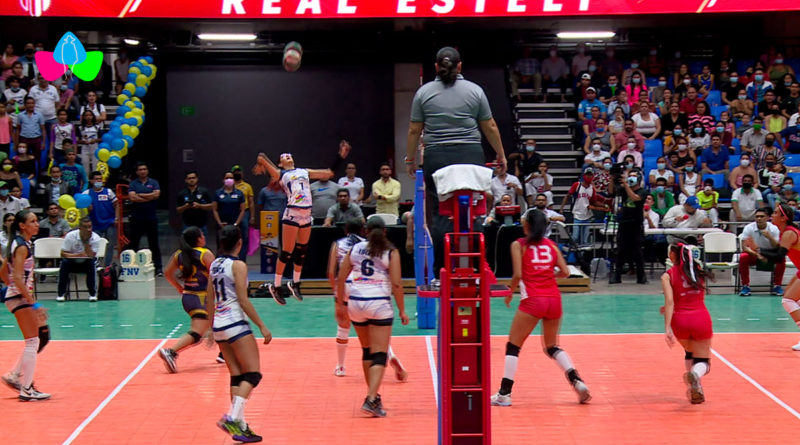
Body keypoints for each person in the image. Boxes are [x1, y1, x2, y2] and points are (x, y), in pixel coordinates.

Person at [405, 46, 506, 274]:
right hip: (470, 155)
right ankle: (478, 266)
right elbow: (489, 126)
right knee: (475, 208)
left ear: (436, 67)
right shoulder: (475, 90)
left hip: (437, 157)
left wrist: (409, 159)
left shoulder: (423, 93)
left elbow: (414, 130)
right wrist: (500, 153)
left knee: (441, 215)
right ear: (460, 66)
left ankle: (442, 270)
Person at [490, 209, 591, 407]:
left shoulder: (518, 245)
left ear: (526, 225)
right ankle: (576, 380)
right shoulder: (551, 245)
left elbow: (518, 274)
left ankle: (504, 393)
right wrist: (547, 276)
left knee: (513, 346)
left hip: (533, 299)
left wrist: (510, 291)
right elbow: (565, 272)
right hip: (554, 299)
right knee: (552, 346)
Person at [335, 218, 410, 417]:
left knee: (367, 351)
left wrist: (340, 304)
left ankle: (374, 396)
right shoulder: (390, 251)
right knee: (380, 353)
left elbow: (340, 278)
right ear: (385, 231)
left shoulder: (355, 249)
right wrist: (402, 310)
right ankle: (370, 398)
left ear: (365, 231)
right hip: (378, 302)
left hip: (356, 302)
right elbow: (396, 284)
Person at [211, 225, 272, 442]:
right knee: (253, 374)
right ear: (240, 242)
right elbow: (243, 300)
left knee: (237, 376)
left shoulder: (214, 264)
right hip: (235, 322)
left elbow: (210, 298)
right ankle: (233, 417)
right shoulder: (238, 265)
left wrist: (211, 327)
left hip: (219, 325)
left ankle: (241, 427)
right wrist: (262, 326)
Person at [253, 152, 333, 304]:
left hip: (306, 214)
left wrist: (340, 156)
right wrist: (260, 164)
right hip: (292, 213)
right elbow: (261, 156)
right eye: (284, 156)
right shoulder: (280, 174)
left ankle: (295, 283)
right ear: (280, 163)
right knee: (287, 252)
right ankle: (276, 285)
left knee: (302, 251)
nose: (288, 156)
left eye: (289, 155)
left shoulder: (304, 171)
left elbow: (328, 174)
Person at [0, 209, 49, 400]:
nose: (37, 224)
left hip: (16, 297)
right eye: (33, 221)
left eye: (37, 221)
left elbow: (4, 273)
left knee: (36, 339)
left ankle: (25, 385)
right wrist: (34, 304)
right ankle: (26, 389)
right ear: (22, 225)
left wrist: (12, 285)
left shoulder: (20, 244)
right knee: (32, 341)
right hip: (19, 299)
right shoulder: (21, 246)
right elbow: (18, 278)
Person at [159, 226, 217, 373]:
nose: (204, 237)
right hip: (201, 297)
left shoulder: (179, 254)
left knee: (219, 322)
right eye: (202, 235)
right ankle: (171, 351)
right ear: (198, 239)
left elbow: (167, 273)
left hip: (188, 297)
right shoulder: (205, 253)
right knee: (197, 334)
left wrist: (179, 287)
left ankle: (224, 353)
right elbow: (216, 277)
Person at [661, 243, 714, 404]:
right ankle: (696, 376)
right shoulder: (699, 273)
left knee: (689, 352)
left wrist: (667, 328)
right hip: (700, 318)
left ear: (672, 256)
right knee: (703, 361)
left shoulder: (667, 275)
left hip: (680, 320)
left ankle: (694, 387)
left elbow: (670, 302)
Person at [609, 169, 647, 284]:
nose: (631, 178)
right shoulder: (623, 190)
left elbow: (635, 198)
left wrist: (626, 185)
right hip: (624, 223)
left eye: (634, 176)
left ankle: (641, 276)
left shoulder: (643, 191)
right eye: (630, 176)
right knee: (620, 250)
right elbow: (611, 192)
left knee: (637, 252)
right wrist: (612, 179)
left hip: (636, 224)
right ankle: (617, 276)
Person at [125, 162, 163, 276]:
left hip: (151, 217)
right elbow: (132, 197)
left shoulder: (154, 182)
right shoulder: (133, 184)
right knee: (134, 243)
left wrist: (140, 195)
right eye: (140, 169)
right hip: (137, 218)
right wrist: (149, 196)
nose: (142, 171)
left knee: (154, 244)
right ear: (137, 172)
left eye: (144, 169)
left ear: (147, 171)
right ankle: (132, 267)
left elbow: (156, 195)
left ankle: (158, 268)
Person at [739, 208, 784, 297]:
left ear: (767, 218)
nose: (759, 218)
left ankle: (777, 286)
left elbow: (777, 247)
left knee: (781, 258)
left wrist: (770, 237)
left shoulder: (774, 228)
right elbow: (744, 247)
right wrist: (757, 255)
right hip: (755, 253)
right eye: (757, 216)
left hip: (770, 253)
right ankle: (745, 286)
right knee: (743, 257)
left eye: (762, 216)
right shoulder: (749, 228)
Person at [57, 217, 101, 302]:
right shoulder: (70, 236)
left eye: (90, 227)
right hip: (72, 263)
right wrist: (78, 255)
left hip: (87, 263)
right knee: (64, 263)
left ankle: (92, 294)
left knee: (92, 263)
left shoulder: (95, 238)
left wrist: (86, 242)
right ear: (80, 228)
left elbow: (91, 255)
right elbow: (62, 253)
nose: (89, 229)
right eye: (86, 227)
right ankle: (61, 294)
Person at [82, 171, 118, 266]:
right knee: (94, 244)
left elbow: (116, 205)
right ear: (91, 180)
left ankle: (107, 266)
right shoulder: (87, 193)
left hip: (109, 222)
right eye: (96, 179)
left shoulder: (109, 192)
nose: (99, 181)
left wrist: (116, 218)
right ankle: (95, 263)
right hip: (95, 224)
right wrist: (87, 209)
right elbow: (81, 209)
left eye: (100, 179)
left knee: (109, 245)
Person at [213, 171, 246, 250]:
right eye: (227, 178)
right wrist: (219, 223)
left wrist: (236, 224)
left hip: (234, 225)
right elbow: (215, 210)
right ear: (223, 180)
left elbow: (242, 210)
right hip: (222, 225)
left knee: (235, 246)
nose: (229, 180)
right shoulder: (217, 193)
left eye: (231, 178)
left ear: (234, 180)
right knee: (221, 247)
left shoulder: (239, 193)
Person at [176, 171, 213, 236]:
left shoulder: (204, 191)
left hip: (201, 225)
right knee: (188, 245)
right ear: (186, 180)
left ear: (197, 179)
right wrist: (185, 207)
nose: (191, 180)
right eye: (189, 178)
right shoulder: (182, 193)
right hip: (187, 224)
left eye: (193, 178)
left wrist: (200, 206)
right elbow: (178, 210)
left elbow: (211, 206)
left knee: (202, 245)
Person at [231, 165, 256, 262]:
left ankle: (242, 259)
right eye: (235, 171)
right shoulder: (230, 186)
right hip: (233, 212)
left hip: (245, 213)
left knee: (244, 237)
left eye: (239, 171)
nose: (237, 173)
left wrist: (252, 217)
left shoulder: (247, 186)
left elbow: (251, 202)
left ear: (242, 173)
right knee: (232, 236)